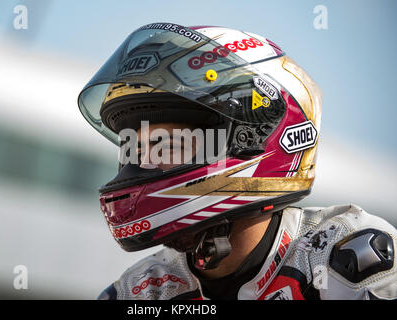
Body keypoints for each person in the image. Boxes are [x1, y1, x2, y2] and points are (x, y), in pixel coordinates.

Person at [77, 23, 397, 300]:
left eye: (168, 146)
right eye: (135, 150)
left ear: (251, 136)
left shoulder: (344, 255)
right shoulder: (143, 289)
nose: (145, 163)